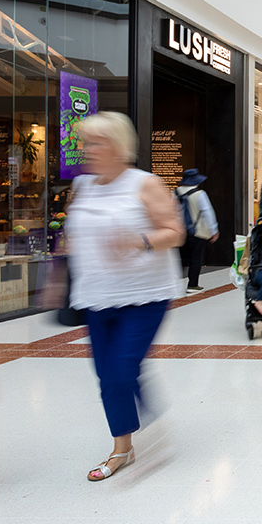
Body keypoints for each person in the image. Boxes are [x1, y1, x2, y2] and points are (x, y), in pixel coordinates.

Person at [66, 112, 185, 481]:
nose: (88, 149)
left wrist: (141, 240)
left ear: (118, 147)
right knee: (106, 374)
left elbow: (176, 232)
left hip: (145, 296)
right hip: (96, 296)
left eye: (96, 142)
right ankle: (125, 448)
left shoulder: (145, 184)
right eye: (86, 142)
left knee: (120, 370)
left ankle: (135, 430)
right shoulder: (82, 186)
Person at [174, 169, 219, 294]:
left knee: (179, 259)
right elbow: (207, 212)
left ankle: (175, 285)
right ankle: (192, 285)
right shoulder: (200, 194)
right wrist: (213, 230)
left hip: (179, 232)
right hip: (197, 232)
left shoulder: (175, 193)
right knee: (196, 258)